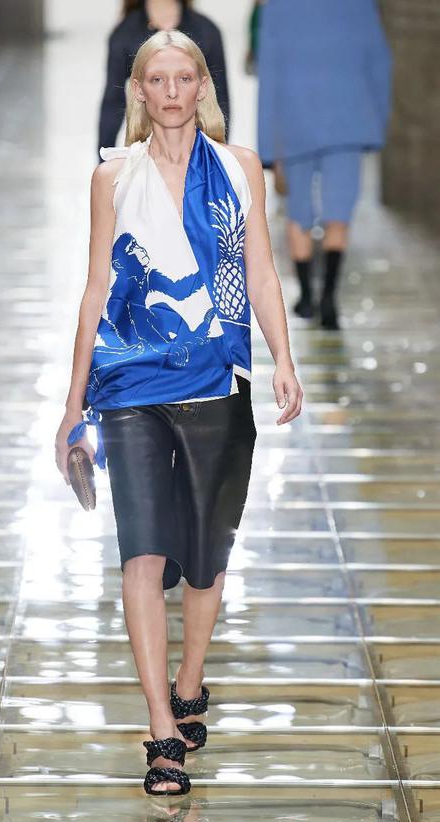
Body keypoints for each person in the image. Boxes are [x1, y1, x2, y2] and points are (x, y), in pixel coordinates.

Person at [55, 29, 302, 796]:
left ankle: (190, 680)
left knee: (205, 556)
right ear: (139, 90)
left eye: (182, 78)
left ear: (202, 87)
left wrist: (283, 359)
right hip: (129, 382)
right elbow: (96, 288)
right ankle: (162, 728)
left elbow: (261, 272)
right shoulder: (113, 177)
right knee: (142, 552)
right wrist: (72, 405)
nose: (169, 92)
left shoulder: (239, 168)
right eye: (156, 80)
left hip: (216, 379)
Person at [257, 0, 392, 330]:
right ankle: (329, 296)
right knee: (339, 210)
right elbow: (379, 63)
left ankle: (306, 295)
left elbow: (269, 76)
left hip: (294, 122)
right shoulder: (360, 6)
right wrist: (377, 121)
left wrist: (267, 145)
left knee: (298, 210)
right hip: (348, 119)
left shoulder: (277, 8)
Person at [98, 0, 230, 155]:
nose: (172, 91)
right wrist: (104, 160)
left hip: (198, 152)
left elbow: (220, 99)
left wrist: (219, 155)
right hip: (147, 151)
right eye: (157, 79)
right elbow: (113, 101)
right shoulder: (125, 34)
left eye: (185, 78)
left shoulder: (207, 31)